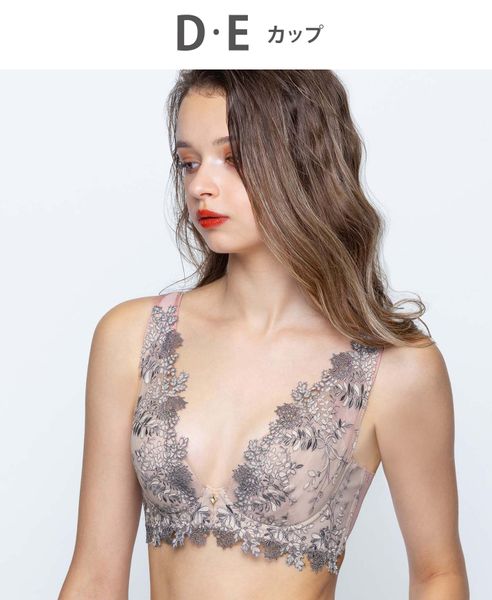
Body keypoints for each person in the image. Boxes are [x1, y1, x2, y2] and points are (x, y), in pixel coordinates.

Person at [58, 70, 469, 600]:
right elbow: (94, 577)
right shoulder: (133, 337)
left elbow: (438, 574)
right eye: (188, 162)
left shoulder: (395, 368)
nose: (200, 186)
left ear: (303, 161)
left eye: (232, 158)